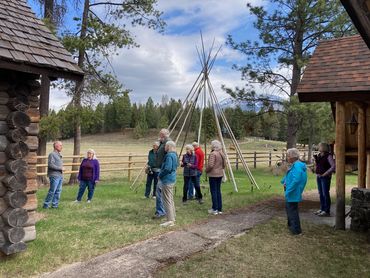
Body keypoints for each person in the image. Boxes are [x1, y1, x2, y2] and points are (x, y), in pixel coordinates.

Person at [281, 148, 307, 235]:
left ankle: (296, 230)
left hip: (293, 191)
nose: (287, 158)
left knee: (292, 210)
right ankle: (291, 226)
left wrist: (288, 190)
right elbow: (290, 176)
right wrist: (284, 181)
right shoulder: (295, 165)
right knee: (290, 209)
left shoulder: (297, 166)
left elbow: (296, 180)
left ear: (293, 157)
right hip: (292, 191)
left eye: (288, 156)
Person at [158, 140, 178, 227]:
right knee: (170, 198)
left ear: (169, 147)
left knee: (167, 200)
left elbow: (168, 168)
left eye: (165, 146)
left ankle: (170, 220)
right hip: (172, 178)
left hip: (167, 179)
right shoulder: (175, 155)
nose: (164, 147)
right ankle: (172, 217)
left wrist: (160, 175)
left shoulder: (169, 155)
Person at [314, 143, 335, 217]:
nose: (318, 147)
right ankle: (322, 209)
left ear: (323, 147)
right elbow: (318, 165)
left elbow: (333, 166)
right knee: (320, 193)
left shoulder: (328, 156)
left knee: (325, 193)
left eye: (319, 146)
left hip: (325, 177)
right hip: (319, 176)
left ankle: (327, 211)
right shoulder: (319, 155)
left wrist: (325, 173)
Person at [153, 129, 171, 218]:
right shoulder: (162, 143)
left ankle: (161, 211)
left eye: (161, 135)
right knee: (161, 191)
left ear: (165, 135)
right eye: (160, 134)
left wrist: (163, 171)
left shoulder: (168, 144)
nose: (160, 136)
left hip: (163, 170)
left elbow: (169, 157)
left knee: (159, 191)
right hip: (161, 168)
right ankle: (163, 210)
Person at [206, 140, 225, 215]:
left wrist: (206, 170)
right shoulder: (221, 153)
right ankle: (219, 209)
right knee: (218, 191)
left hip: (213, 175)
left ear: (213, 146)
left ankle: (214, 209)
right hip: (220, 174)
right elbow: (224, 164)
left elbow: (210, 165)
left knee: (213, 191)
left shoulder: (213, 154)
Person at [43, 141, 64, 209]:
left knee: (58, 191)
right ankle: (46, 205)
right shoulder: (52, 154)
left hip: (60, 176)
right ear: (56, 146)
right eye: (60, 145)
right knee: (52, 191)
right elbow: (50, 165)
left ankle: (55, 205)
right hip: (54, 176)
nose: (61, 147)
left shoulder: (59, 154)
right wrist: (60, 168)